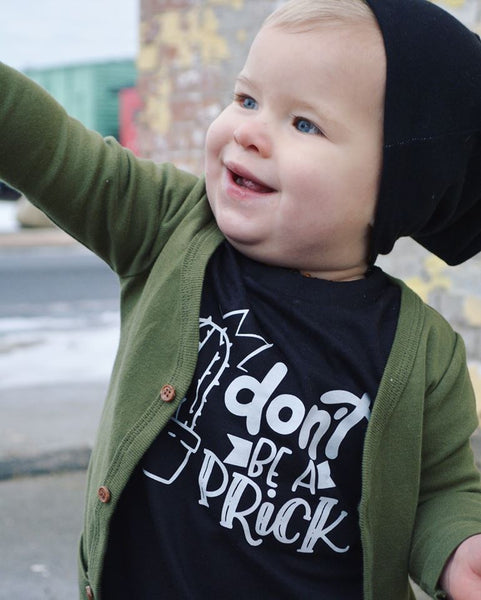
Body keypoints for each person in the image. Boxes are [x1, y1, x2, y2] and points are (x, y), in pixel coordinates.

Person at [1, 0, 481, 597]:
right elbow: (51, 151)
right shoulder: (169, 228)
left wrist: (459, 547)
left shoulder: (423, 353)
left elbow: (439, 490)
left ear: (395, 186)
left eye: (304, 124)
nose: (248, 132)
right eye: (247, 99)